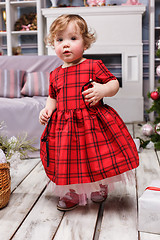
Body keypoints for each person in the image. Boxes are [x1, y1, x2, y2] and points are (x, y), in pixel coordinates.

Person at [39, 14, 139, 211]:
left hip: (91, 123)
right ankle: (72, 192)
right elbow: (53, 97)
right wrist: (48, 109)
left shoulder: (93, 66)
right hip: (65, 128)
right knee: (67, 160)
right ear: (53, 44)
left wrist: (102, 90)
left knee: (96, 155)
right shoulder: (55, 74)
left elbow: (113, 83)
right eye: (60, 40)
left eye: (72, 38)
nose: (65, 45)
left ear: (85, 43)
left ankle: (99, 185)